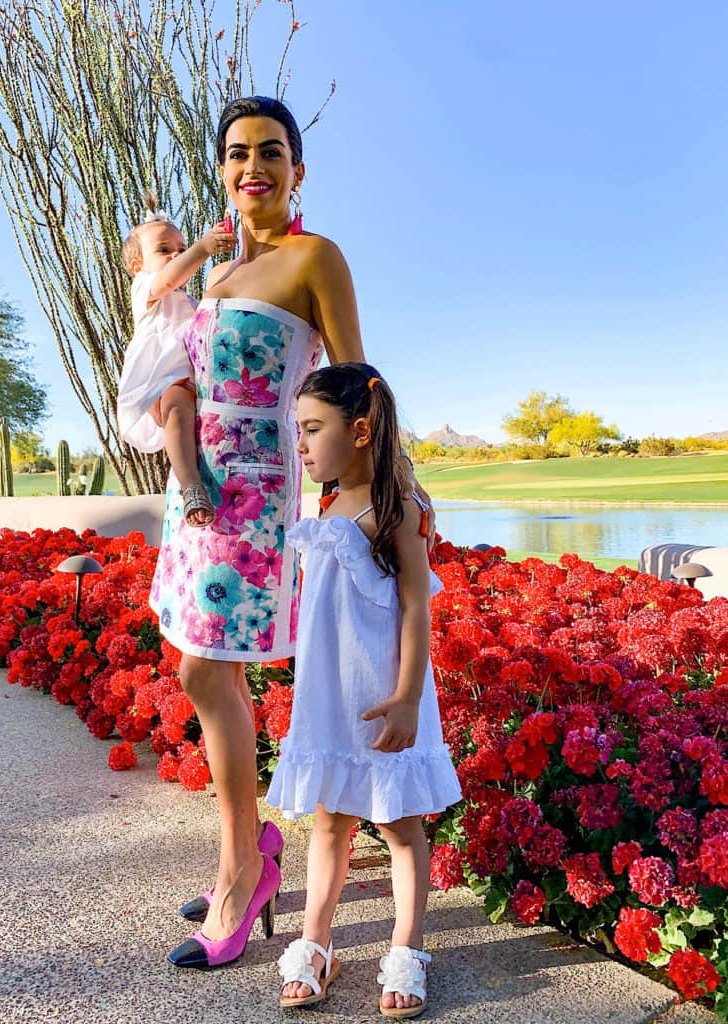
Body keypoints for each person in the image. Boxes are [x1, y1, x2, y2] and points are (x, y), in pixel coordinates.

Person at [159, 96, 436, 972]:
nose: (255, 168)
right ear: (221, 171)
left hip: (261, 492)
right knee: (197, 670)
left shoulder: (316, 257)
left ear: (297, 169)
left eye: (272, 152)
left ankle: (244, 871)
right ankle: (248, 855)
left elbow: (357, 383)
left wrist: (390, 491)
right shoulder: (216, 276)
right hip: (195, 494)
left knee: (208, 672)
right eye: (238, 154)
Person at [266, 363, 461, 1017]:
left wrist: (407, 697)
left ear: (359, 430)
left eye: (312, 429)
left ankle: (406, 948)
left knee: (399, 826)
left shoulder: (395, 509)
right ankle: (316, 943)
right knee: (328, 822)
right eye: (299, 430)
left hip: (384, 696)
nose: (301, 444)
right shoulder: (326, 507)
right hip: (329, 699)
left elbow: (413, 608)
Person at [117, 194, 236, 525]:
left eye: (181, 249)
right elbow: (168, 278)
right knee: (177, 408)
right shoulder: (145, 288)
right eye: (164, 249)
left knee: (192, 419)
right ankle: (191, 486)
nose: (176, 255)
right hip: (164, 381)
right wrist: (203, 249)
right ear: (137, 266)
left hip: (196, 384)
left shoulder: (189, 301)